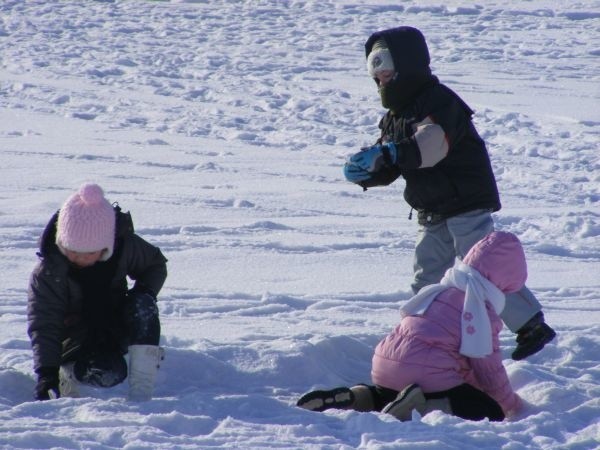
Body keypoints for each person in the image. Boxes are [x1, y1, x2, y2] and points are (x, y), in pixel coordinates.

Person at [343, 26, 555, 360]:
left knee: (482, 270)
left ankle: (531, 324)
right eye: (375, 71)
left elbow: (431, 145)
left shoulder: (438, 101)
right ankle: (421, 335)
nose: (380, 77)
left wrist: (391, 154)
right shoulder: (395, 117)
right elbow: (395, 158)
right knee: (426, 277)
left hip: (464, 203)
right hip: (432, 210)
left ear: (407, 65)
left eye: (385, 68)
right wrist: (370, 170)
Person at [298, 231, 527, 422]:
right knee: (487, 411)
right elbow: (489, 370)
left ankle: (359, 397)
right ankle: (418, 409)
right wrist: (509, 404)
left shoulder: (440, 290)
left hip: (385, 366)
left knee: (386, 394)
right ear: (504, 281)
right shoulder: (479, 310)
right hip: (425, 374)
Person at [27, 183, 168, 401]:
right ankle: (68, 371)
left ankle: (142, 386)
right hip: (74, 337)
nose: (80, 258)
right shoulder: (48, 273)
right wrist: (47, 374)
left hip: (113, 324)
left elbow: (155, 264)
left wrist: (142, 292)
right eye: (72, 251)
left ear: (106, 247)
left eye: (89, 253)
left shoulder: (124, 247)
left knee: (144, 305)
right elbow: (44, 324)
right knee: (105, 375)